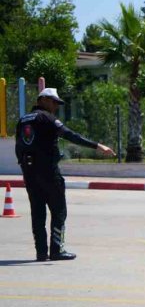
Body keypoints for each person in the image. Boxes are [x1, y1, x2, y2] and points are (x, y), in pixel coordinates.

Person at [15, 87, 114, 261]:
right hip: (48, 173)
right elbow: (70, 135)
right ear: (43, 100)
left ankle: (40, 252)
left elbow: (19, 147)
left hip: (29, 173)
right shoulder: (47, 118)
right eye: (54, 102)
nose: (56, 106)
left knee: (37, 213)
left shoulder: (23, 120)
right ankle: (56, 250)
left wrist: (25, 168)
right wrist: (97, 145)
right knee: (59, 211)